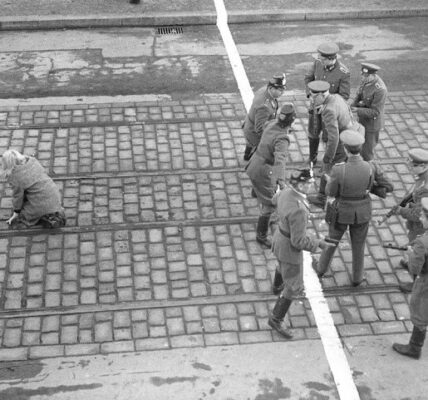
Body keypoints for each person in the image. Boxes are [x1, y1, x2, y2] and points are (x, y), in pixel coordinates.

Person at [312, 130, 393, 286]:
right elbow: (388, 186)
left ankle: (321, 269)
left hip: (341, 212)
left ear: (346, 149)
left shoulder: (339, 169)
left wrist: (329, 181)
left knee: (331, 241)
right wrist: (369, 188)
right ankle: (357, 278)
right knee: (359, 246)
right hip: (362, 212)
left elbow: (331, 192)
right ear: (360, 148)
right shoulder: (371, 167)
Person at [268, 169, 335, 338]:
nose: (311, 186)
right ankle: (276, 318)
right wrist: (318, 244)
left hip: (279, 238)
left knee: (281, 265)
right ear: (299, 185)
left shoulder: (285, 192)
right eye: (308, 184)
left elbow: (274, 200)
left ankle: (276, 286)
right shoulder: (300, 210)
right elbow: (298, 241)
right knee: (293, 286)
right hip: (289, 250)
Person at [246, 103, 296, 248]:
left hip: (254, 163)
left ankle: (256, 192)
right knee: (269, 205)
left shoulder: (272, 123)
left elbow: (267, 126)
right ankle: (261, 235)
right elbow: (280, 160)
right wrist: (281, 181)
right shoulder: (283, 139)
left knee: (259, 187)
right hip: (264, 170)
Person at [306, 80, 362, 209]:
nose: (312, 100)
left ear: (322, 95)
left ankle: (322, 198)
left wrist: (328, 157)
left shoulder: (328, 111)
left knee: (328, 170)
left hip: (340, 144)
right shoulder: (336, 97)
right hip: (351, 135)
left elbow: (333, 137)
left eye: (314, 97)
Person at [392, 197, 428, 359]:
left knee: (420, 310)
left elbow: (415, 268)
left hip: (425, 280)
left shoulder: (422, 242)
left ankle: (414, 348)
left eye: (423, 216)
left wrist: (411, 254)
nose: (420, 218)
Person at [304, 42, 350, 166]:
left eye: (323, 59)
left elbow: (344, 96)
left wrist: (325, 106)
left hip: (329, 111)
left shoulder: (343, 73)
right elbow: (308, 78)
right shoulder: (317, 63)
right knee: (313, 133)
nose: (320, 61)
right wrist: (310, 95)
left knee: (328, 136)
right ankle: (312, 158)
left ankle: (329, 160)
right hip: (314, 108)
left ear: (332, 59)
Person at [392, 148, 428, 293]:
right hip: (418, 224)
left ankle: (415, 282)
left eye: (414, 165)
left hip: (421, 226)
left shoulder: (425, 187)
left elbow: (416, 214)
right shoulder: (423, 177)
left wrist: (401, 211)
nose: (410, 166)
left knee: (417, 250)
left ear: (424, 166)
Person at [1, 149, 66, 228]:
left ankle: (49, 218)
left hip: (41, 203)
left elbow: (17, 197)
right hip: (54, 195)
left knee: (23, 215)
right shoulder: (32, 161)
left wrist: (16, 212)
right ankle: (53, 212)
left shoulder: (15, 176)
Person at [242, 74, 287, 161]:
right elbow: (260, 129)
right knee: (259, 154)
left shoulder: (265, 90)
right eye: (280, 90)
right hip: (254, 133)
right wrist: (270, 139)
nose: (282, 93)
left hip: (250, 124)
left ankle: (247, 155)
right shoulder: (264, 106)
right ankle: (252, 161)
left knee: (249, 145)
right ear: (272, 88)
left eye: (283, 90)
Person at [351, 62, 387, 161]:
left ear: (373, 75)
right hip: (363, 120)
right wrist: (353, 104)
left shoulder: (380, 90)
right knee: (360, 145)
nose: (362, 77)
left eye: (365, 75)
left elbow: (375, 112)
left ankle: (370, 172)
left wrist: (357, 110)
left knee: (367, 152)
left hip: (372, 125)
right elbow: (359, 94)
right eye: (362, 74)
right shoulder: (366, 81)